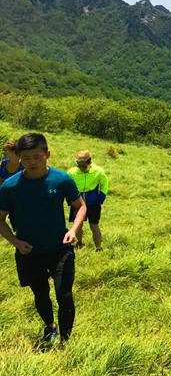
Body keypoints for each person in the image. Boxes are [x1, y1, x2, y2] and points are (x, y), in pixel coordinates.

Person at [0, 133, 86, 347]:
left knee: (64, 294)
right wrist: (16, 243)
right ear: (19, 158)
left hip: (60, 248)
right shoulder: (10, 187)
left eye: (37, 157)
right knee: (40, 294)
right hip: (29, 252)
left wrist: (74, 230)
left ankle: (66, 340)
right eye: (26, 158)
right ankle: (50, 325)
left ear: (47, 154)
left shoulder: (62, 179)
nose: (32, 162)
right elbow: (0, 220)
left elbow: (81, 206)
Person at [67, 150, 109, 251]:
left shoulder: (98, 171)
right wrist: (70, 199)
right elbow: (67, 186)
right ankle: (80, 243)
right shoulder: (71, 172)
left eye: (84, 165)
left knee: (94, 225)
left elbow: (104, 183)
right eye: (80, 165)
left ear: (89, 161)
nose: (82, 168)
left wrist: (101, 197)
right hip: (78, 203)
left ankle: (98, 248)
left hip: (93, 203)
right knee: (78, 225)